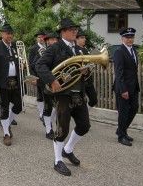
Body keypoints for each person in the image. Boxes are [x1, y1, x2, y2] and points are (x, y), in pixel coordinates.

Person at [36, 18, 90, 176]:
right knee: (62, 129)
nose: (75, 31)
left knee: (84, 126)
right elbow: (40, 65)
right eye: (71, 29)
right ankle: (57, 160)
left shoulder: (79, 49)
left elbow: (84, 70)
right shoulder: (55, 48)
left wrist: (86, 71)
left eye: (75, 29)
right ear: (62, 32)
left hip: (78, 93)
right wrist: (52, 80)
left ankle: (68, 149)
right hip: (62, 95)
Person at [0, 23, 22, 146]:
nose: (10, 35)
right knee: (4, 107)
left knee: (18, 106)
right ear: (1, 34)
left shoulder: (15, 46)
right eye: (7, 33)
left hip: (15, 81)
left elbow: (18, 61)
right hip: (2, 82)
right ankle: (6, 133)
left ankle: (6, 123)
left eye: (11, 33)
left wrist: (21, 65)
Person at [113, 27, 140, 146]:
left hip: (133, 86)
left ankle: (121, 129)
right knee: (123, 112)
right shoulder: (119, 51)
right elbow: (119, 72)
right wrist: (123, 89)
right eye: (127, 37)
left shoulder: (133, 49)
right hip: (122, 87)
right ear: (122, 38)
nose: (130, 39)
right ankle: (121, 136)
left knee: (134, 108)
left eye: (132, 37)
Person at [31, 31, 59, 140]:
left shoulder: (59, 51)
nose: (54, 42)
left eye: (56, 40)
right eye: (52, 40)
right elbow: (34, 65)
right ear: (47, 42)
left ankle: (49, 122)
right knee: (48, 106)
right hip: (45, 82)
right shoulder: (42, 52)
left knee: (56, 105)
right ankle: (48, 129)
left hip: (57, 82)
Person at [76, 30, 98, 110]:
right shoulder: (74, 50)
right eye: (82, 38)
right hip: (80, 80)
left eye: (84, 38)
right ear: (76, 39)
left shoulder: (85, 50)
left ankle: (86, 114)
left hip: (88, 80)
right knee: (80, 102)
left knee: (94, 100)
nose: (84, 39)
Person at [28, 30, 46, 122]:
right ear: (37, 38)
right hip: (38, 75)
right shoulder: (33, 49)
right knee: (40, 94)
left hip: (46, 74)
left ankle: (46, 112)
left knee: (47, 93)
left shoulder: (47, 47)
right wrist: (33, 77)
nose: (41, 39)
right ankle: (41, 113)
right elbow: (31, 64)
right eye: (39, 37)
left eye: (42, 37)